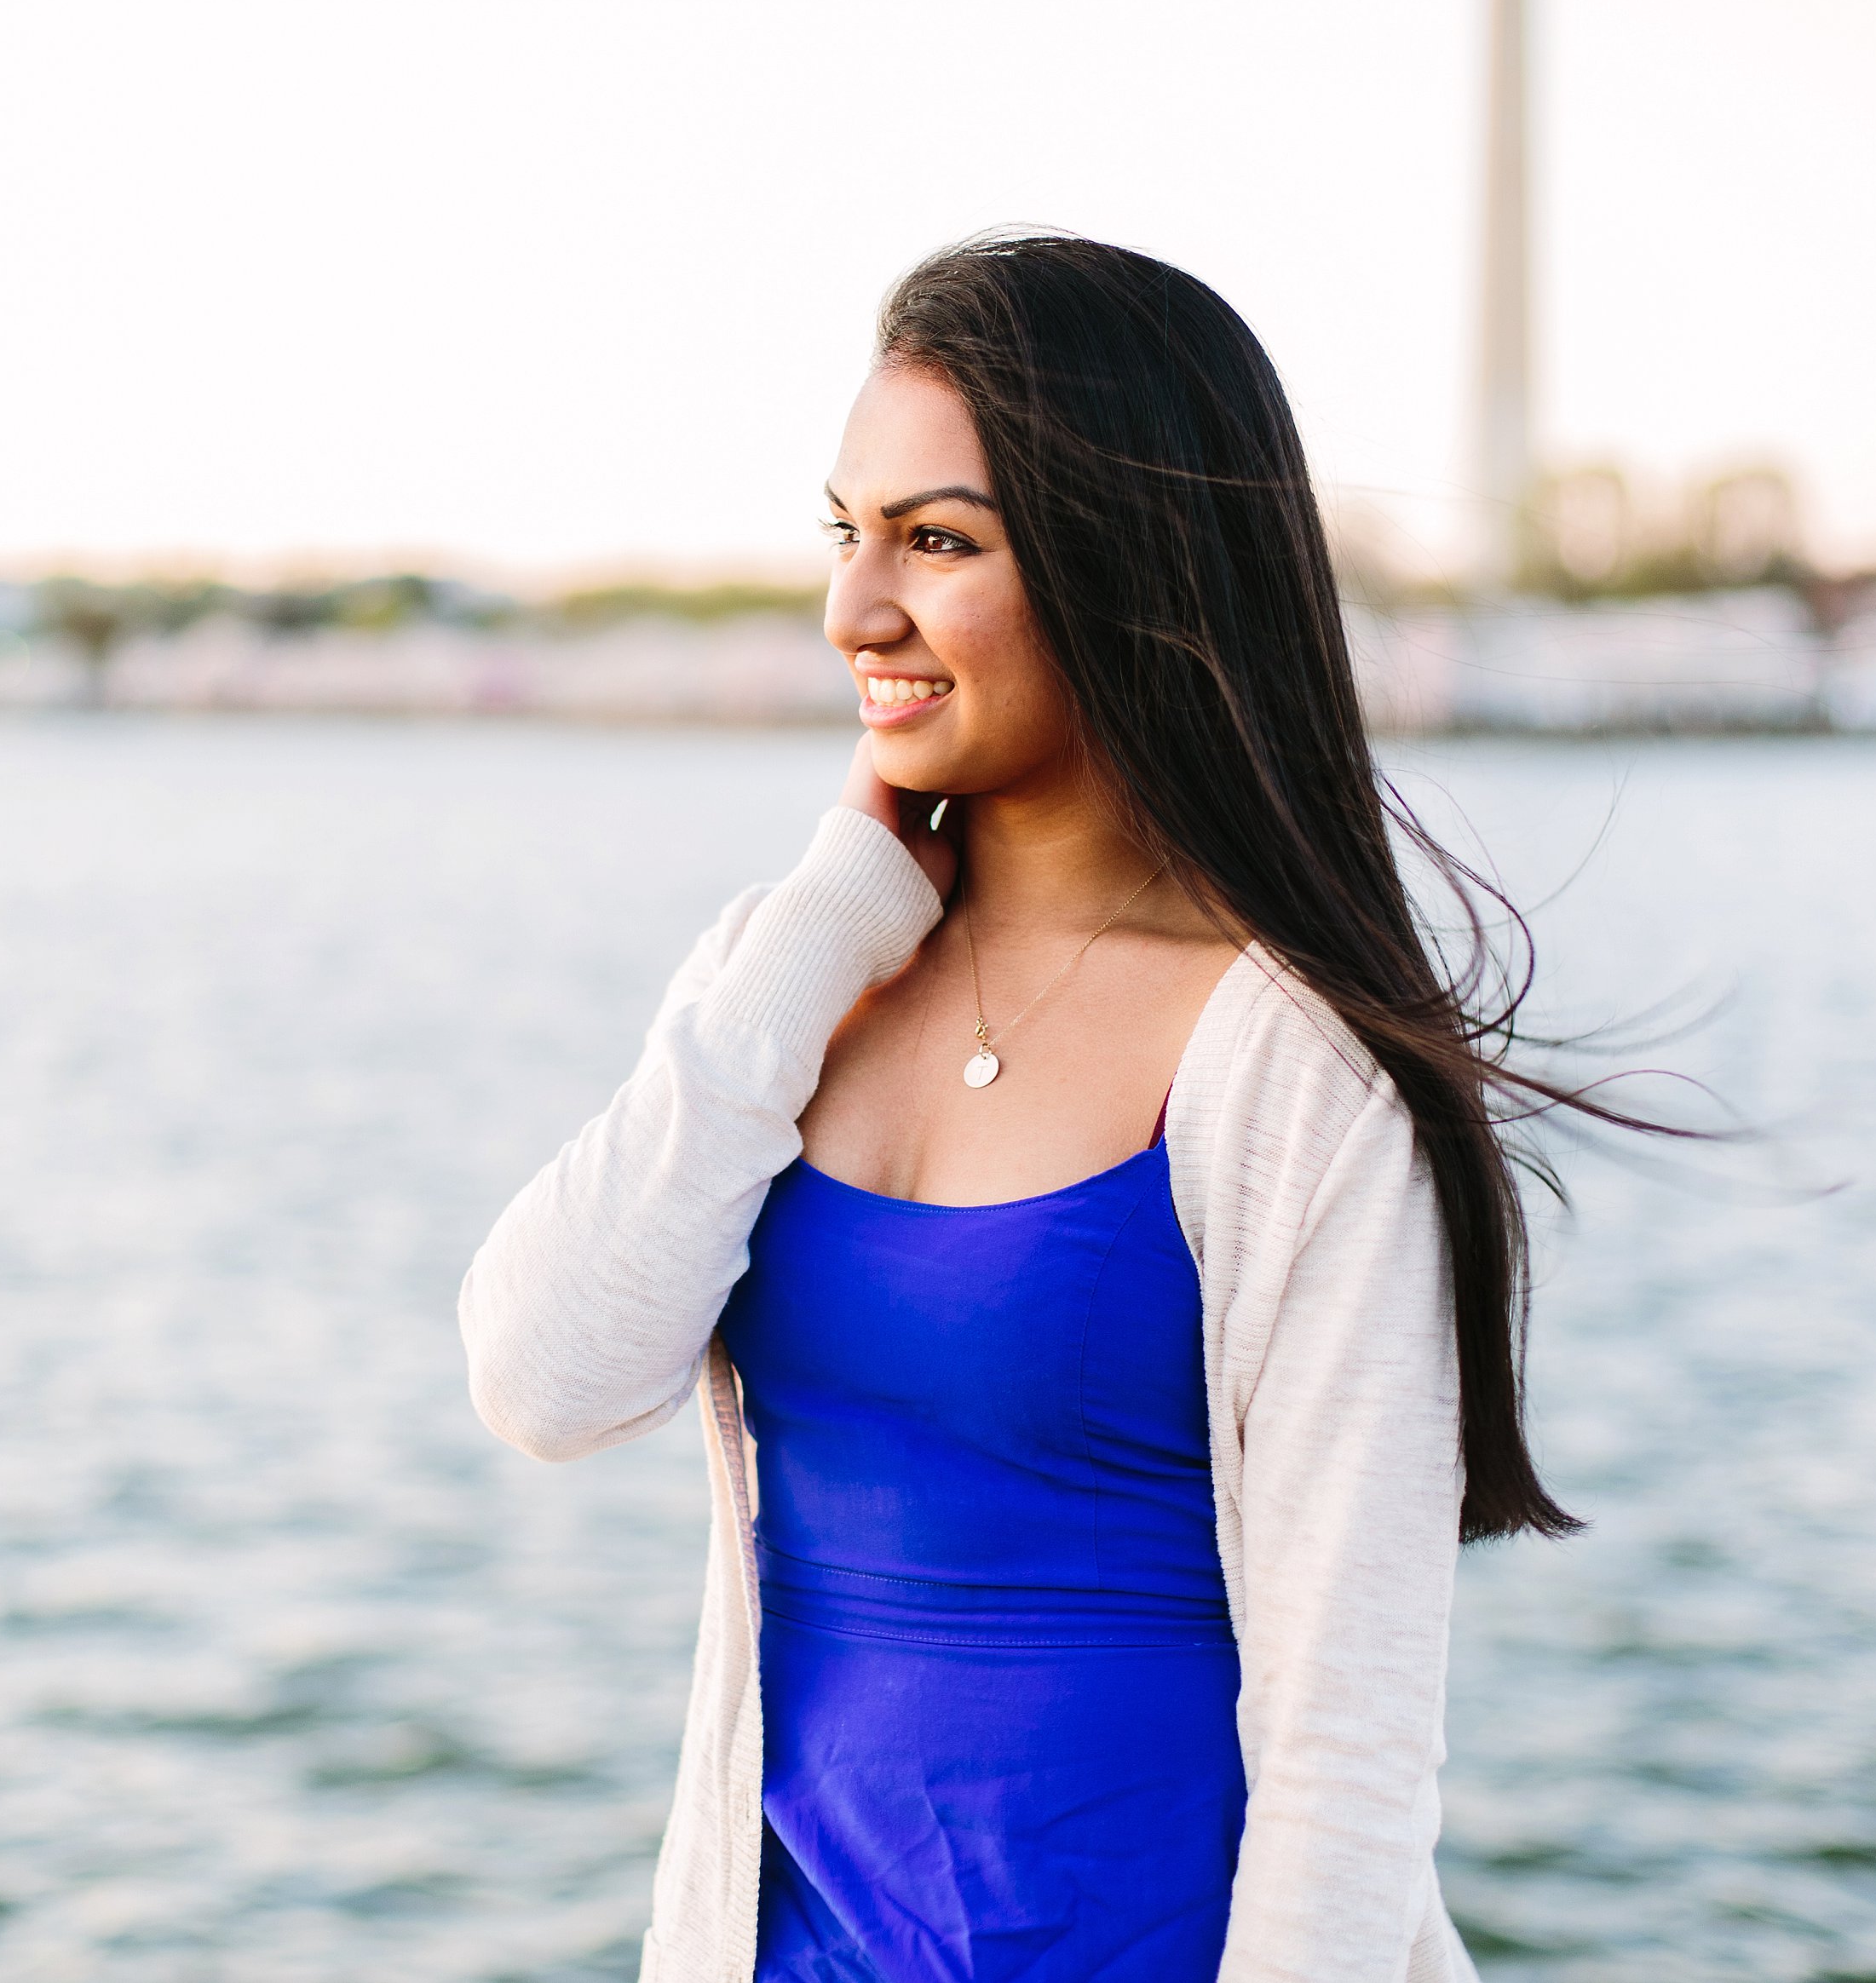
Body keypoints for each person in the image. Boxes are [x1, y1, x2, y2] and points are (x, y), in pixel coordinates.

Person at [460, 234, 1592, 1983]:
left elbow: (1349, 1758)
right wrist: (825, 920)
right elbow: (541, 1379)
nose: (855, 610)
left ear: (1131, 570)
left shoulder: (1294, 1055)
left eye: (938, 540)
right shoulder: (792, 980)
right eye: (848, 533)